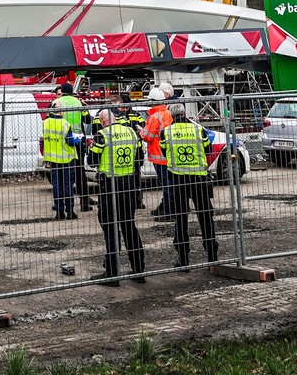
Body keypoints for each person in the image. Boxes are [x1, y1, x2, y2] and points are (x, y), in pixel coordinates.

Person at [162, 101, 220, 269]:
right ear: (185, 114)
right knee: (205, 217)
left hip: (178, 180)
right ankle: (212, 257)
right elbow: (208, 150)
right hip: (199, 180)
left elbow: (164, 152)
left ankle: (183, 259)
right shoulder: (198, 129)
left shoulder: (166, 132)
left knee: (180, 219)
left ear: (171, 116)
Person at [90, 108, 145, 283]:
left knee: (110, 229)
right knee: (129, 226)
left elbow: (92, 161)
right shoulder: (130, 131)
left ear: (103, 121)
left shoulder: (102, 135)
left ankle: (113, 274)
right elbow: (140, 159)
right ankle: (138, 271)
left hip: (109, 185)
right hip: (128, 185)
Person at [52, 81, 96, 211]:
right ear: (72, 91)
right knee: (79, 172)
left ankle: (60, 203)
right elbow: (87, 120)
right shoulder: (78, 103)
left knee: (61, 174)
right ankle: (84, 203)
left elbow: (50, 118)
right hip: (77, 141)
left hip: (60, 141)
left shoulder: (56, 103)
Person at [40, 103, 82, 218]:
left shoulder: (45, 123)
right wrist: (78, 140)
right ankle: (70, 211)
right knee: (67, 185)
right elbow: (70, 141)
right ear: (62, 111)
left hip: (53, 159)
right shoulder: (65, 124)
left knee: (56, 185)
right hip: (66, 159)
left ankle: (59, 212)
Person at [140, 87, 175, 220]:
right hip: (169, 154)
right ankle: (170, 209)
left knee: (166, 185)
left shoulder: (154, 117)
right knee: (170, 184)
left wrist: (141, 132)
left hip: (158, 155)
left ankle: (169, 212)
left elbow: (148, 137)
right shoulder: (168, 113)